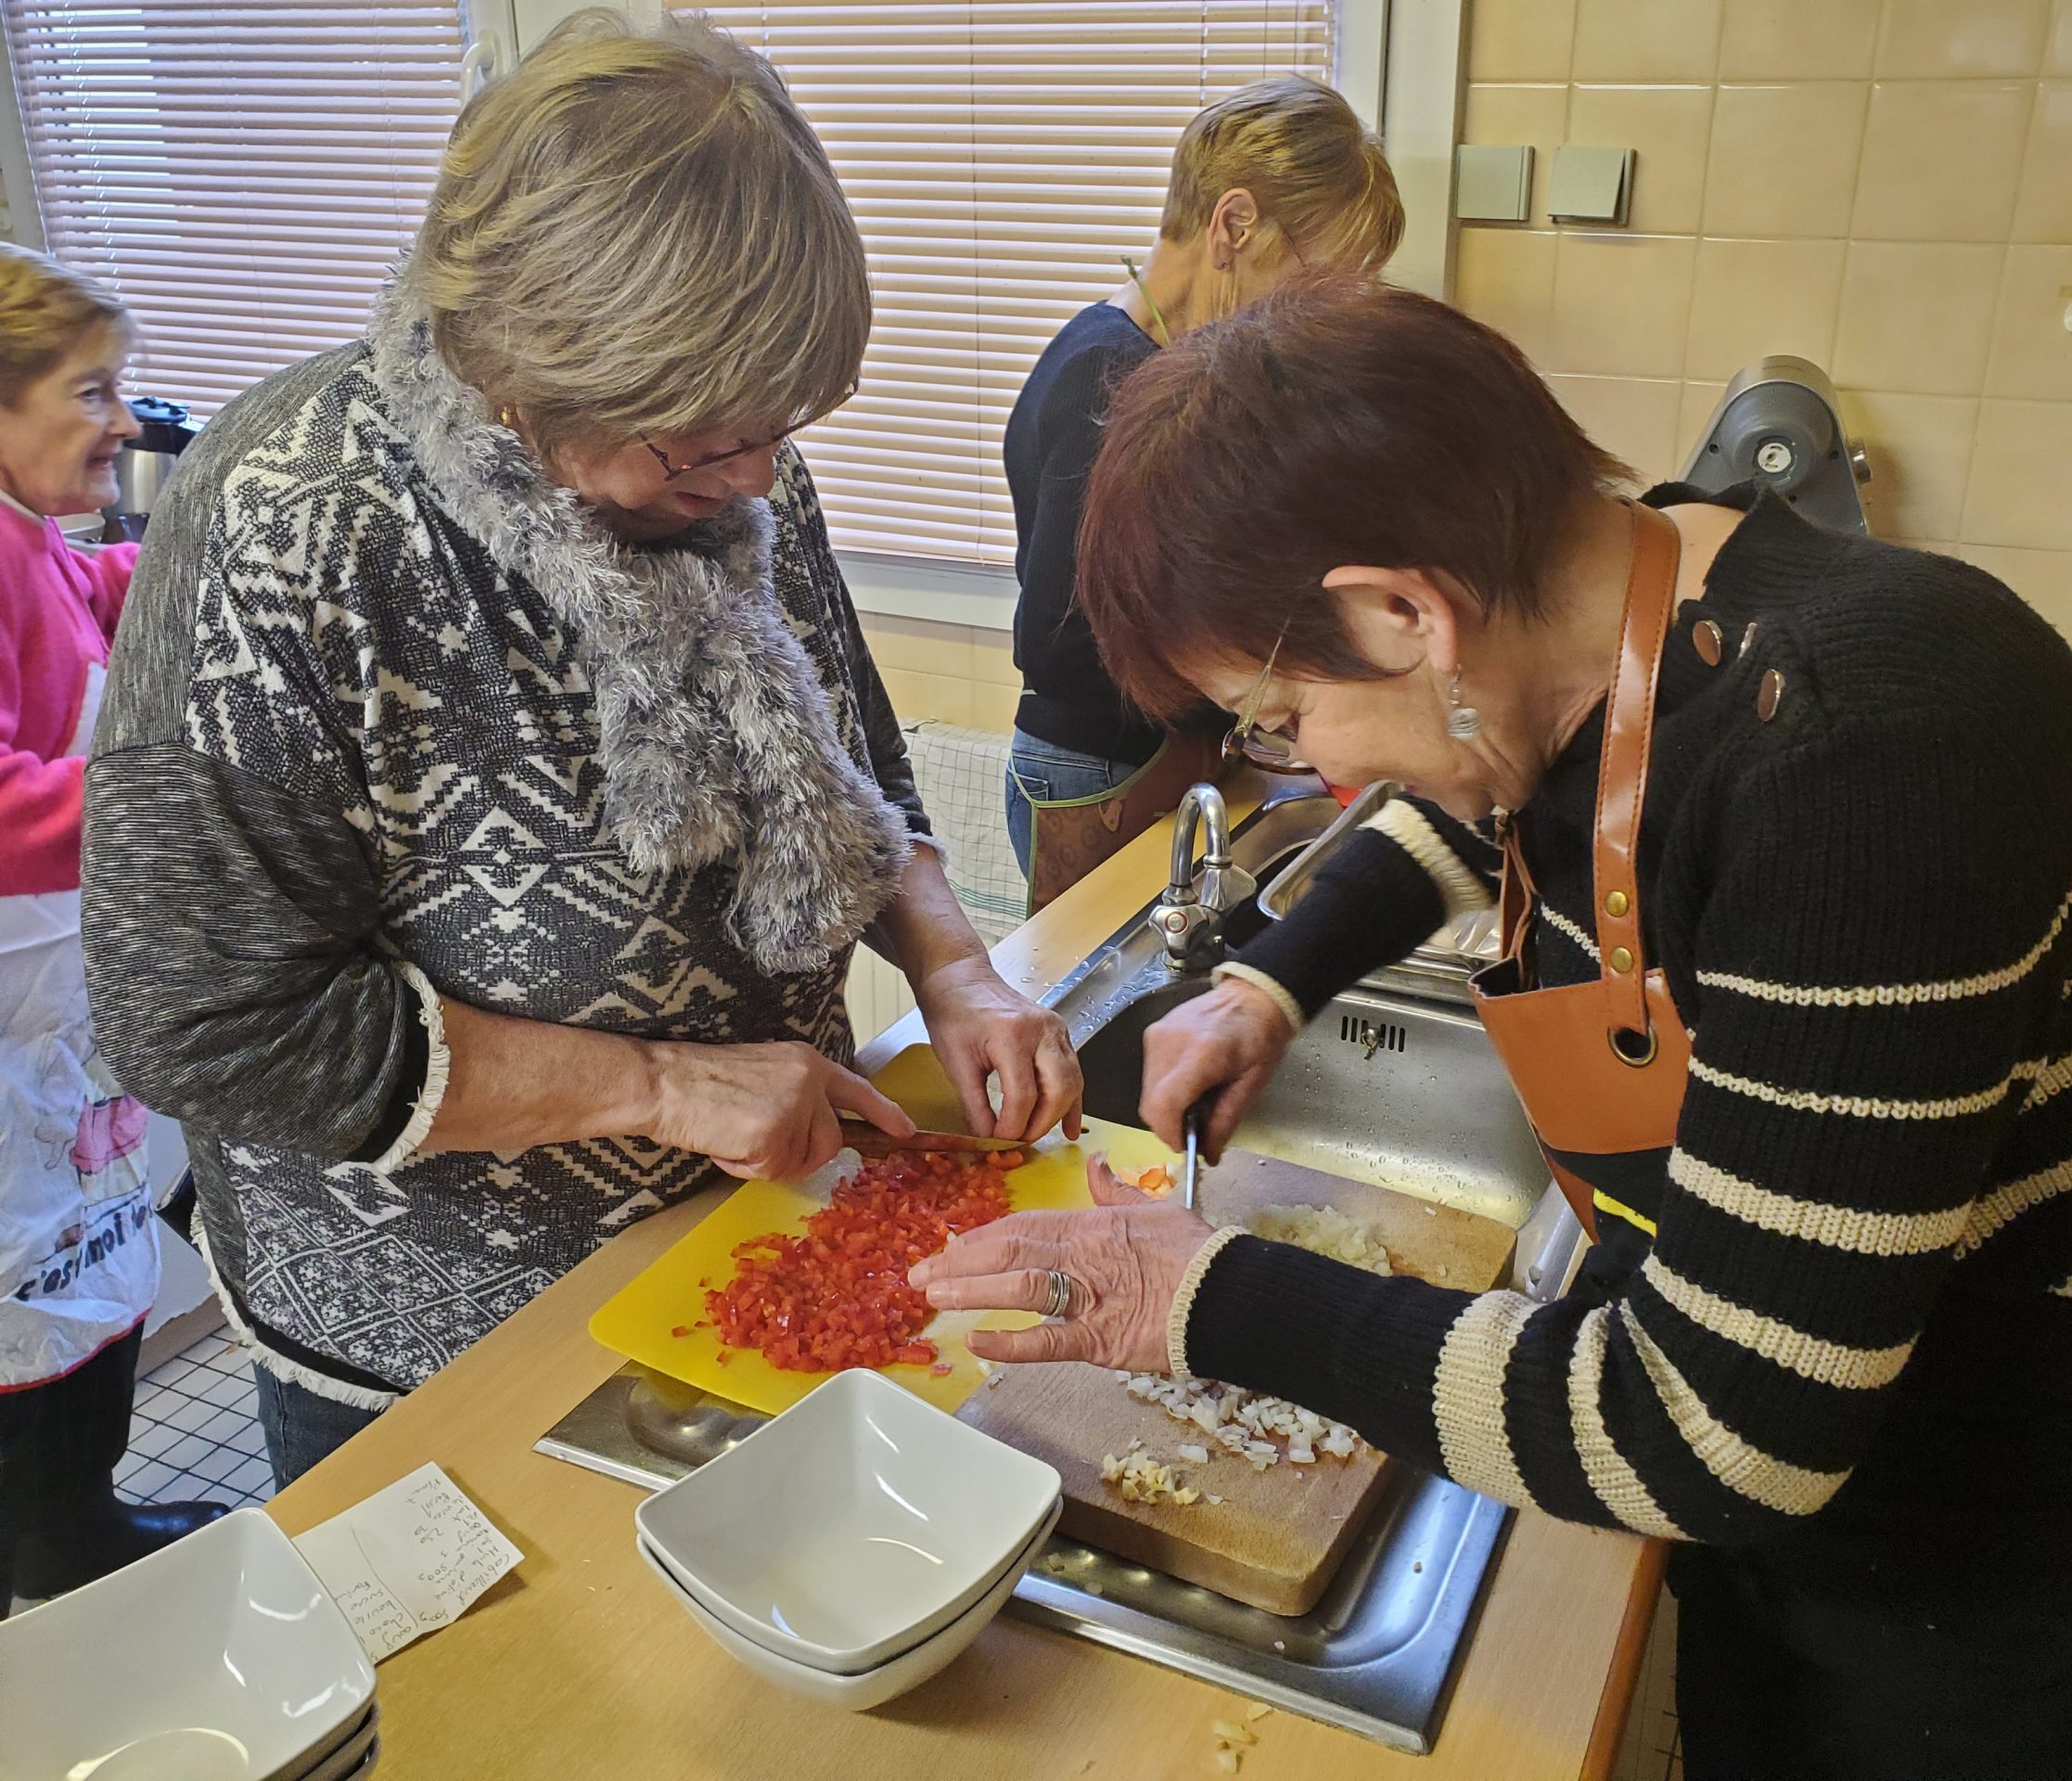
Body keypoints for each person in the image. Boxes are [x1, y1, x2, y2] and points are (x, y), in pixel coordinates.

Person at [911, 281, 2072, 1778]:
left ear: (1410, 612)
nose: (1301, 760)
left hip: (2051, 1579)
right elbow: (1494, 786)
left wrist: (1208, 1300)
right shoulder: (1617, 602)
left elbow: (1721, 1434)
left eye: (1279, 716)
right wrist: (1273, 976)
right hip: (1837, 1511)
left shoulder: (1868, 761)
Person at [77, 12, 1081, 1490]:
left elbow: (852, 749)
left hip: (740, 1231)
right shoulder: (285, 516)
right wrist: (666, 1088)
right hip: (436, 1340)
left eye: (778, 430)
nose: (756, 479)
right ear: (522, 374)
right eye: (699, 445)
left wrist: (954, 964)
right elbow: (199, 1020)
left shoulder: (725, 466)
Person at [1004, 75, 1401, 909]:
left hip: (1161, 754)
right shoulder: (1106, 379)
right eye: (1317, 280)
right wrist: (1256, 683)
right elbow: (1060, 644)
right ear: (1234, 225)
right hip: (1102, 773)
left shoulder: (1182, 370)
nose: (1320, 312)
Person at [0, 245, 225, 1605]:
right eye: (91, 393)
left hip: (47, 1006)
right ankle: (55, 1547)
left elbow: (85, 602)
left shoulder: (23, 536)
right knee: (34, 1279)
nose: (124, 422)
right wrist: (180, 791)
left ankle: (70, 1523)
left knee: (87, 1246)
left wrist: (208, 551)